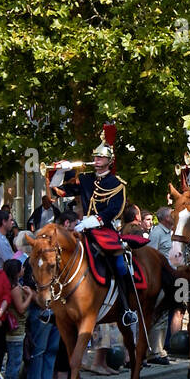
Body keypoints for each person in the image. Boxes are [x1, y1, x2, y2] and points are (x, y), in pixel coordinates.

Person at [52, 124, 138, 327]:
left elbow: (116, 209)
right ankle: (52, 304)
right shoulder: (85, 179)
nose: (96, 161)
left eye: (100, 158)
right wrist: (59, 172)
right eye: (95, 157)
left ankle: (126, 308)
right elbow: (60, 192)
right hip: (81, 228)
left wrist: (95, 220)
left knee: (119, 264)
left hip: (104, 230)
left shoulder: (117, 184)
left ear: (109, 161)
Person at [2, 258, 31, 379]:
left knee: (14, 360)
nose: (24, 270)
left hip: (16, 328)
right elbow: (21, 308)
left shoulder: (12, 285)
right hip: (16, 328)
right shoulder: (15, 288)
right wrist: (30, 296)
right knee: (15, 360)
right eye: (22, 268)